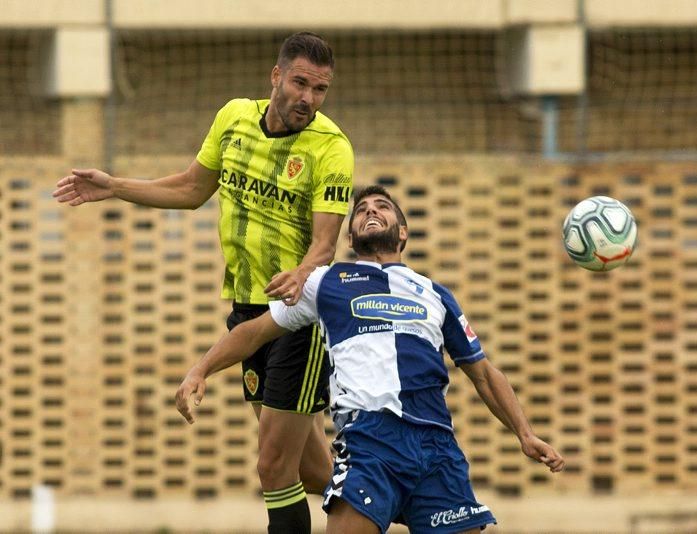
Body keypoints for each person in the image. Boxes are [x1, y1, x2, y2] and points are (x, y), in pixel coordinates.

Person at [52, 32, 353, 533]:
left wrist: (302, 274)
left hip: (298, 317)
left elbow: (325, 244)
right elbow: (192, 188)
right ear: (275, 77)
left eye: (319, 90)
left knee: (272, 467)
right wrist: (115, 187)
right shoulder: (233, 117)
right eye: (300, 83)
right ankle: (421, 508)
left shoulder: (331, 148)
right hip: (245, 312)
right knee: (310, 468)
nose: (308, 98)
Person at [175, 185, 566, 534]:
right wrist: (201, 368)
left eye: (382, 206)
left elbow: (483, 373)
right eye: (361, 211)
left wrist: (524, 433)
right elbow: (254, 331)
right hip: (369, 444)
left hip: (437, 448)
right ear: (350, 236)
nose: (370, 212)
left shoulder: (436, 295)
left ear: (403, 230)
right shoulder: (327, 282)